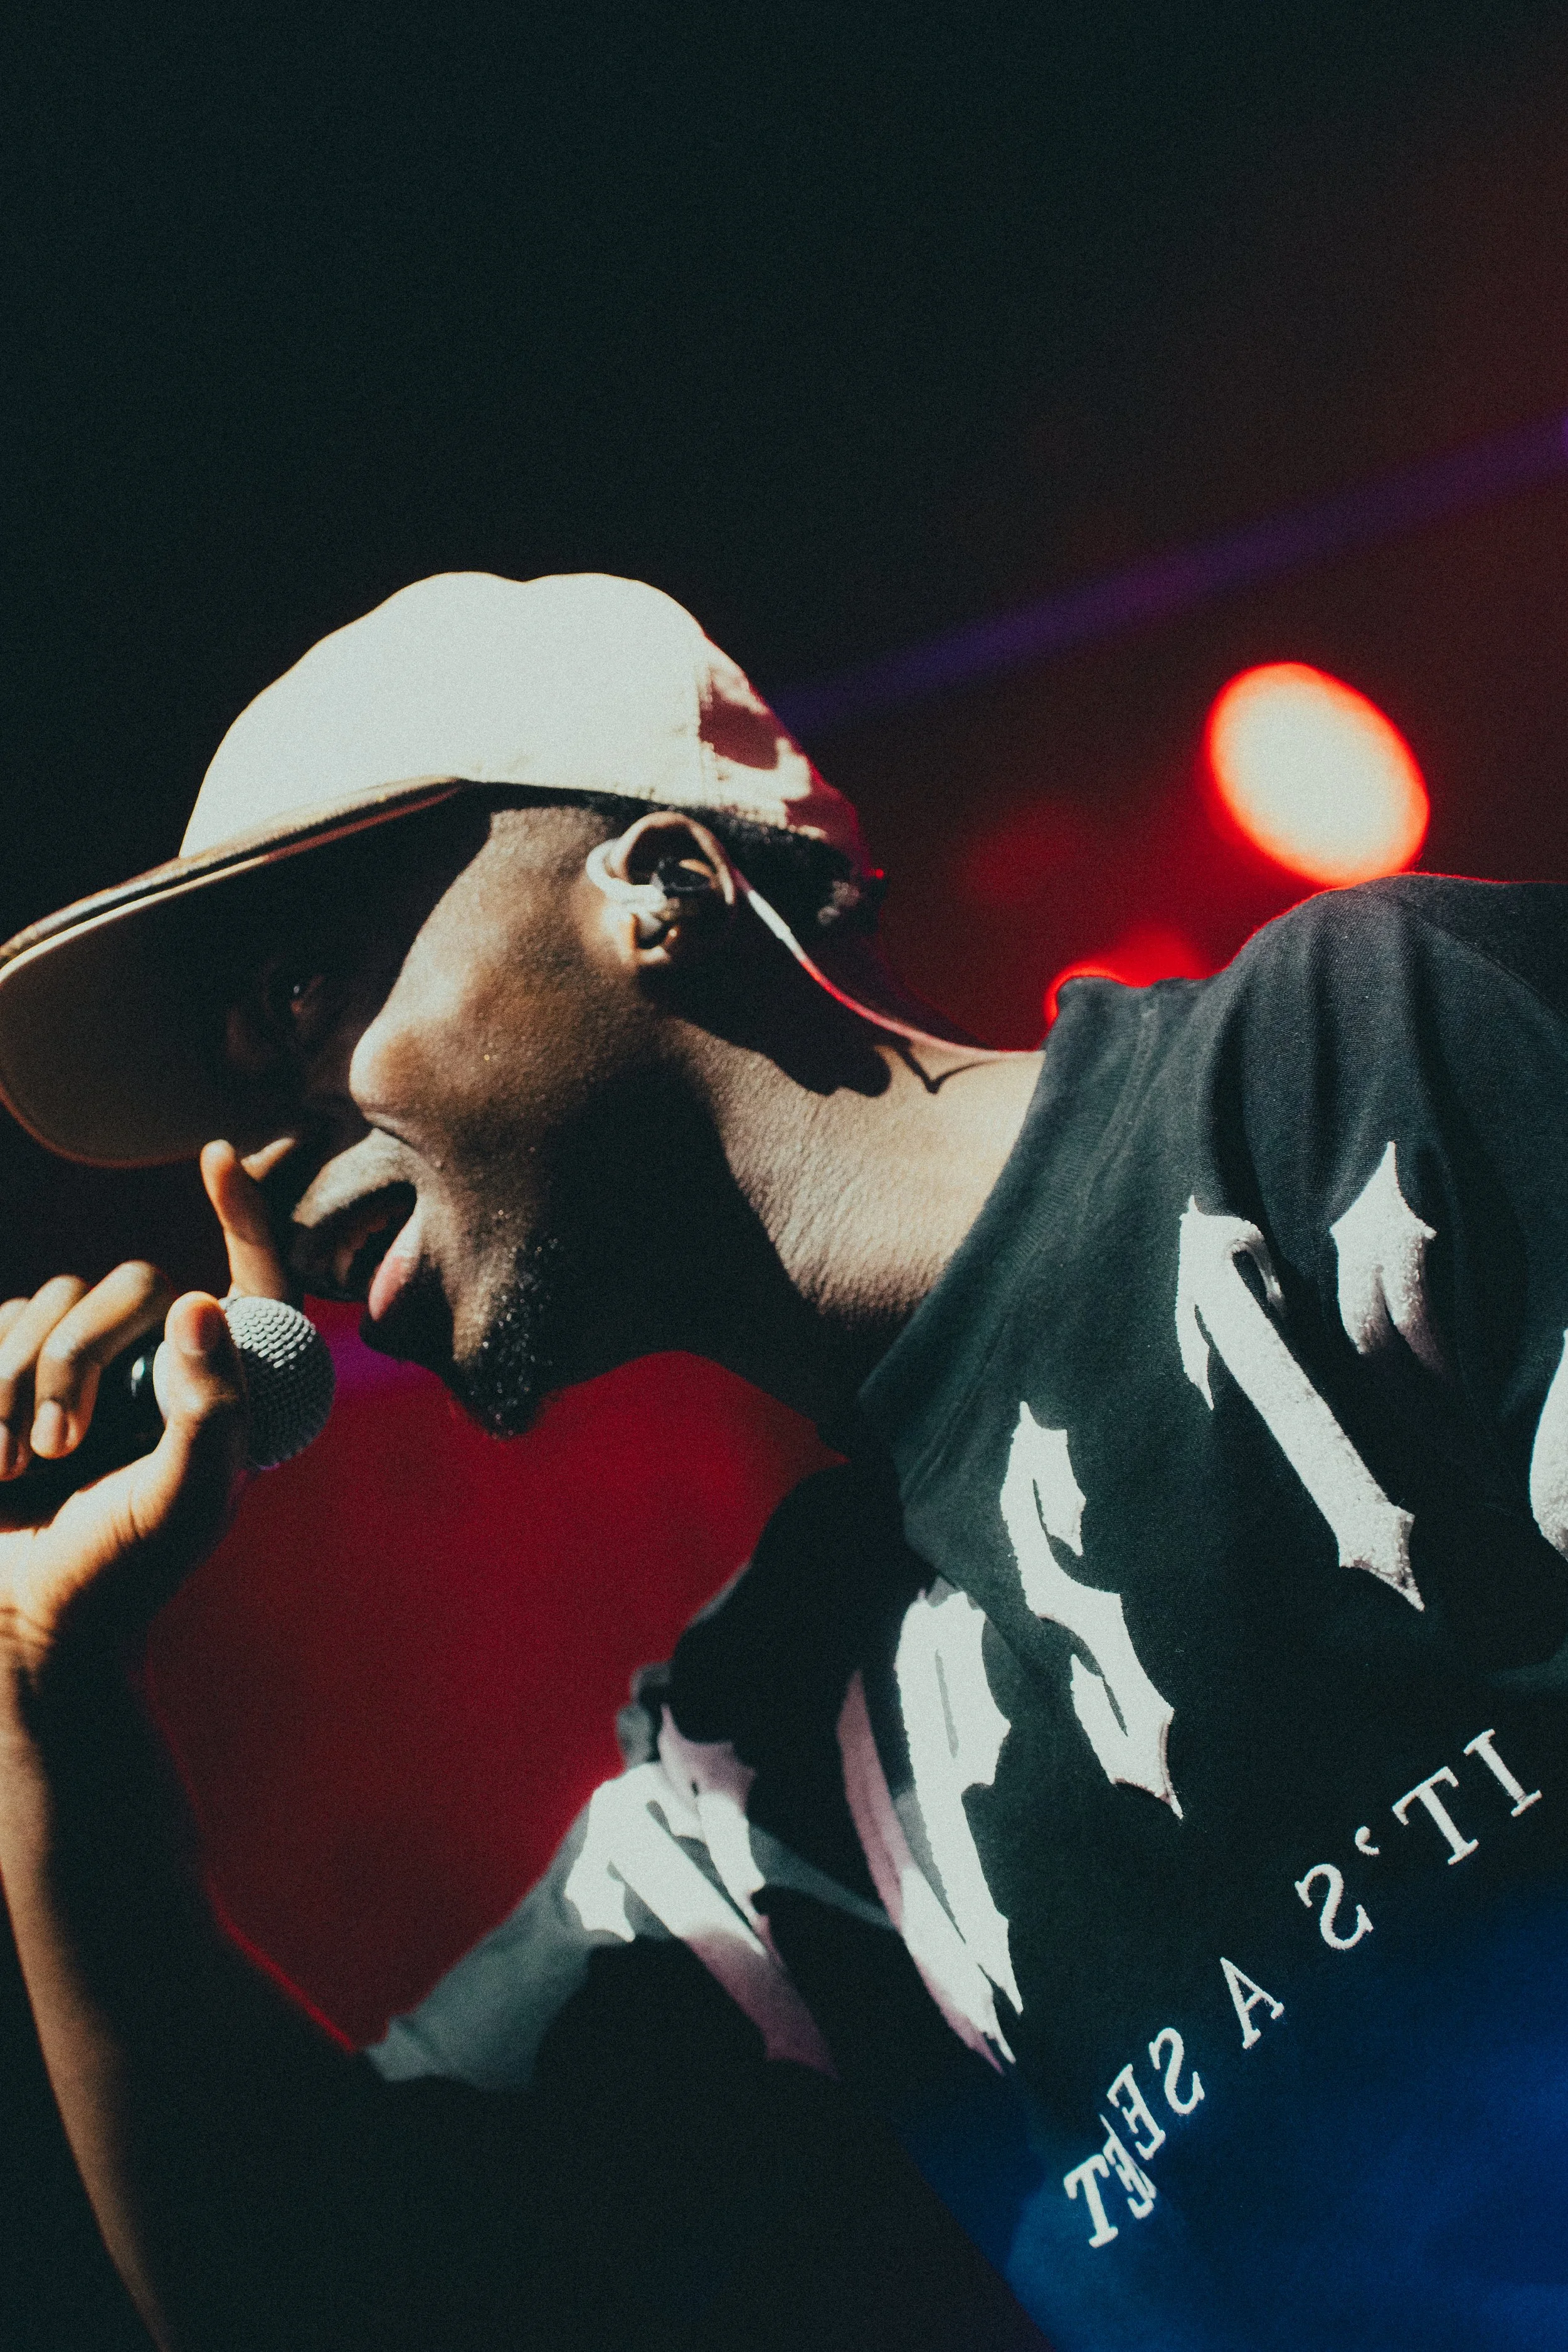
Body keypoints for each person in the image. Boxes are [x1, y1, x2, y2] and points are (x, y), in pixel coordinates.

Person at [0, 571, 1564, 2352]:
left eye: (300, 999)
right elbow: (319, 2292)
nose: (246, 1171)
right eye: (231, 1099)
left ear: (660, 887)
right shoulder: (765, 1749)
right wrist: (50, 1697)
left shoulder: (1346, 1072)